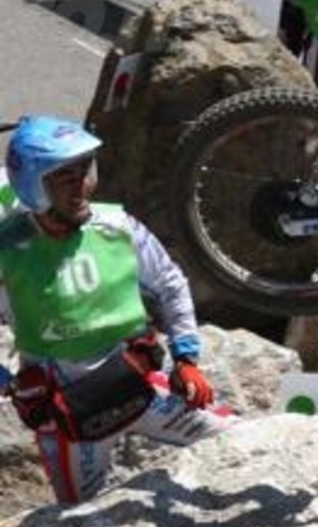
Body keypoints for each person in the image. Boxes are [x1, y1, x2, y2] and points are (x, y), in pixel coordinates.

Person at [0, 116, 234, 505]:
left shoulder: (117, 226)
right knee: (76, 520)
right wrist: (6, 382)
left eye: (84, 171)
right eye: (65, 177)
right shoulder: (8, 249)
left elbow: (170, 283)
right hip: (64, 419)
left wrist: (187, 358)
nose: (83, 186)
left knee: (238, 439)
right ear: (34, 186)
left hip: (142, 389)